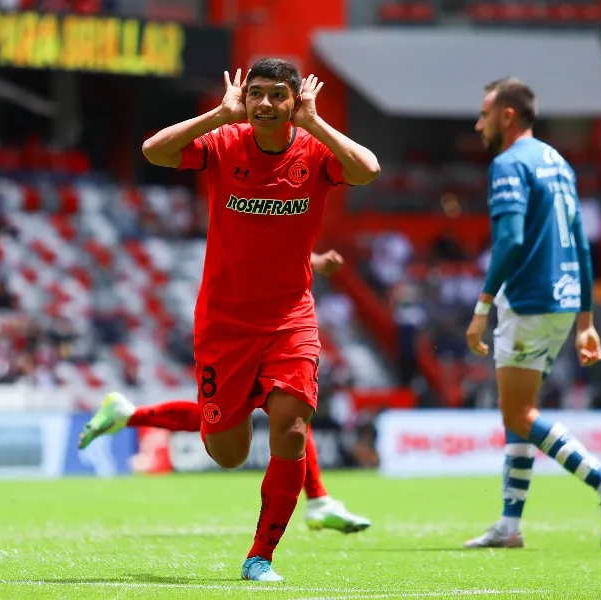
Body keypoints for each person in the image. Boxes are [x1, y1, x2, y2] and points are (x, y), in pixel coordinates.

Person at [82, 58, 380, 581]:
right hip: (224, 324)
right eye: (256, 93)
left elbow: (368, 170)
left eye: (277, 96)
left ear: (294, 101)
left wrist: (314, 123)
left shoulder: (315, 150)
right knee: (227, 449)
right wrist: (218, 116)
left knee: (290, 429)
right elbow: (154, 150)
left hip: (291, 319)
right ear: (245, 97)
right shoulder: (225, 142)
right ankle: (131, 413)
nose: (265, 104)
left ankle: (260, 556)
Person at [79, 250, 371, 535]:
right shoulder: (240, 212)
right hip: (233, 328)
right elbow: (257, 251)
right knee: (225, 419)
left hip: (274, 326)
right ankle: (129, 415)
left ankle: (318, 499)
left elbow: (275, 247)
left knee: (290, 406)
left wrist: (313, 260)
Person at [463, 77, 601, 550]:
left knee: (518, 411)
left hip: (528, 298)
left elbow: (510, 240)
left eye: (484, 113)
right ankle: (509, 524)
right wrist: (586, 322)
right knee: (517, 413)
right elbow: (582, 242)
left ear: (507, 115)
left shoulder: (508, 163)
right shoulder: (558, 163)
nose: (478, 123)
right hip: (562, 300)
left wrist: (482, 307)